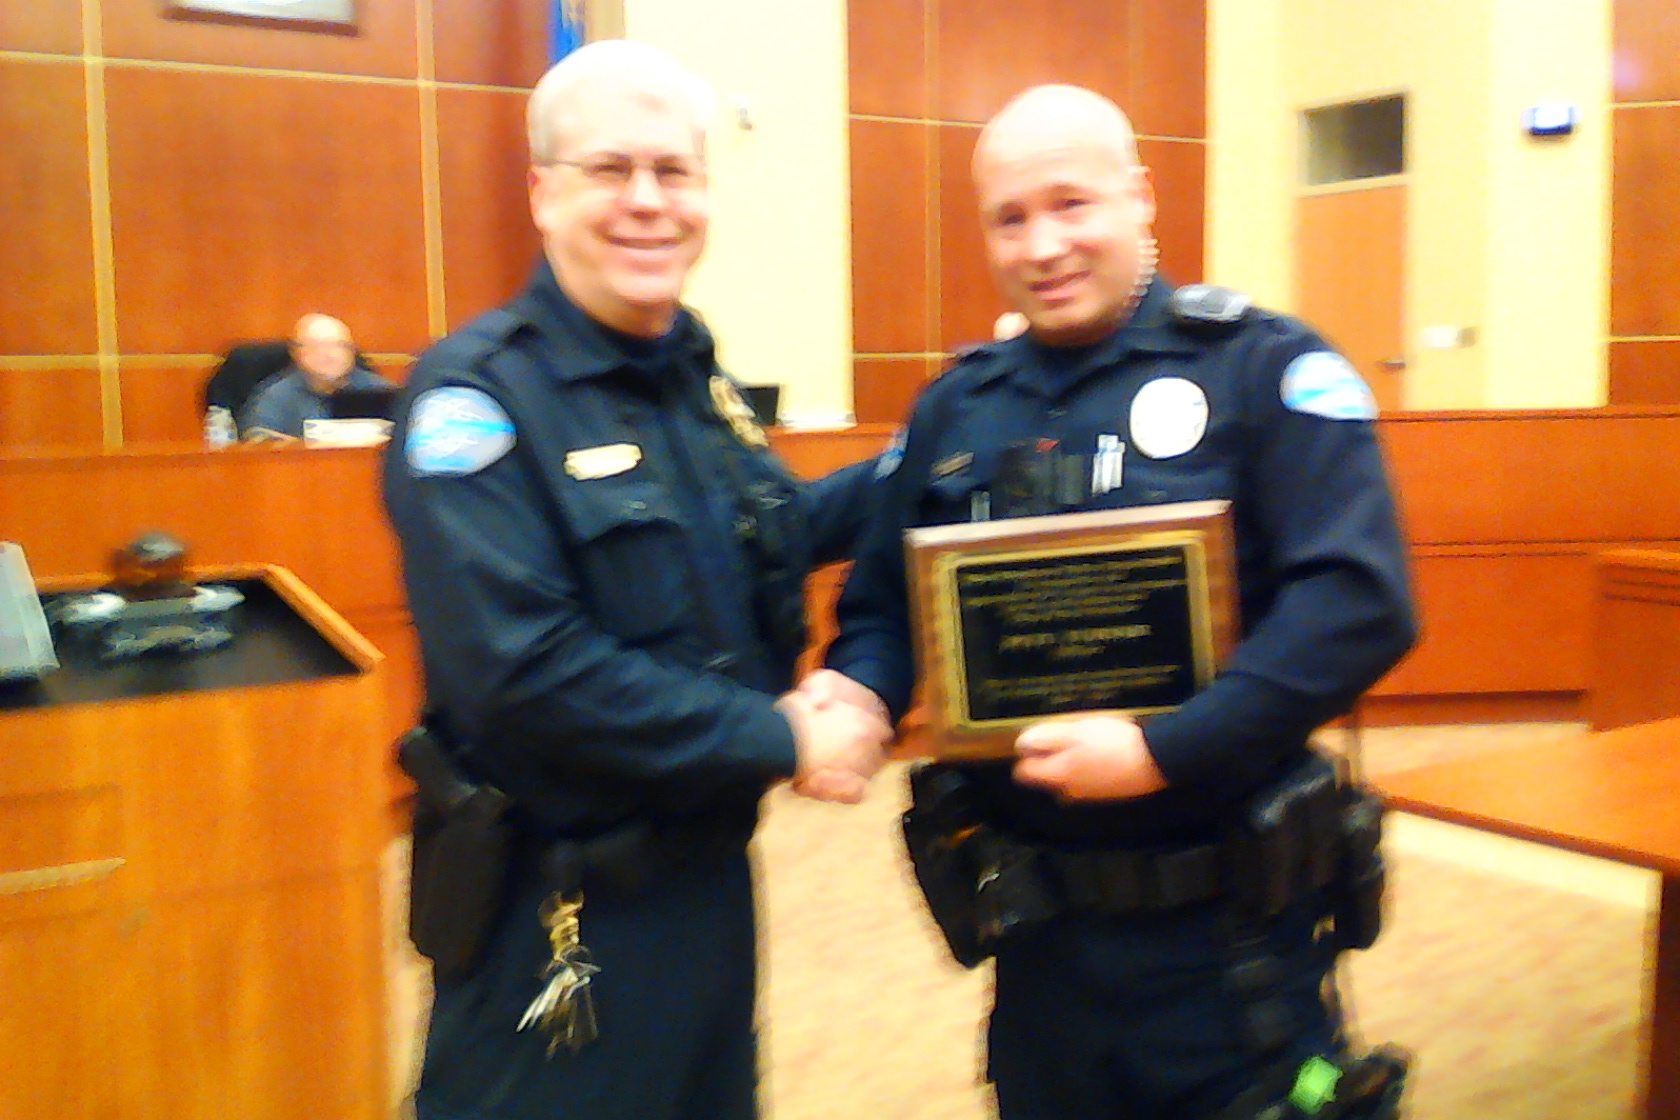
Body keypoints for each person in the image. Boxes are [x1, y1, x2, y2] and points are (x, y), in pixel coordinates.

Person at [812, 84, 1418, 1119]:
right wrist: (856, 693)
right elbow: (881, 606)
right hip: (1038, 941)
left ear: (1140, 197)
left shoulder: (1264, 368)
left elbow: (1358, 600)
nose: (1042, 243)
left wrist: (1163, 749)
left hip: (1229, 948)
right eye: (1011, 217)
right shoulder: (959, 404)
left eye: (1072, 204)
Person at [381, 39, 889, 1120]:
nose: (649, 202)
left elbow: (771, 531)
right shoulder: (474, 399)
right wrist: (788, 738)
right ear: (543, 193)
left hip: (706, 886)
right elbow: (524, 674)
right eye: (612, 171)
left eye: (676, 171)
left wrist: (921, 458)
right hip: (556, 915)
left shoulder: (686, 368)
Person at [238, 312, 394, 437]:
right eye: (317, 346)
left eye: (339, 346)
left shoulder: (380, 391)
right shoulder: (277, 396)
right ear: (296, 353)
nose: (329, 354)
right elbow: (257, 443)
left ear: (352, 351)